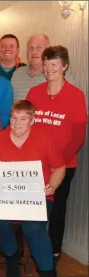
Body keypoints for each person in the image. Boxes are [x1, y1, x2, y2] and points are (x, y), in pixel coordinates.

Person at [0, 100, 66, 277]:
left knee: (32, 228)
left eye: (23, 119)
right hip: (5, 196)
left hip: (39, 196)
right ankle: (12, 255)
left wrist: (52, 185)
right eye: (14, 118)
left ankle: (47, 270)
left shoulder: (44, 138)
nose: (17, 123)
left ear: (33, 120)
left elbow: (59, 167)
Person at [25, 45, 87, 265]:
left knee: (56, 210)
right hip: (35, 164)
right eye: (46, 64)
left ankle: (53, 252)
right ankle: (34, 249)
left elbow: (78, 135)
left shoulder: (75, 95)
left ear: (65, 66)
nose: (49, 69)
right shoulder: (34, 93)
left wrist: (57, 163)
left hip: (64, 164)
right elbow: (26, 125)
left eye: (54, 64)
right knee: (35, 208)